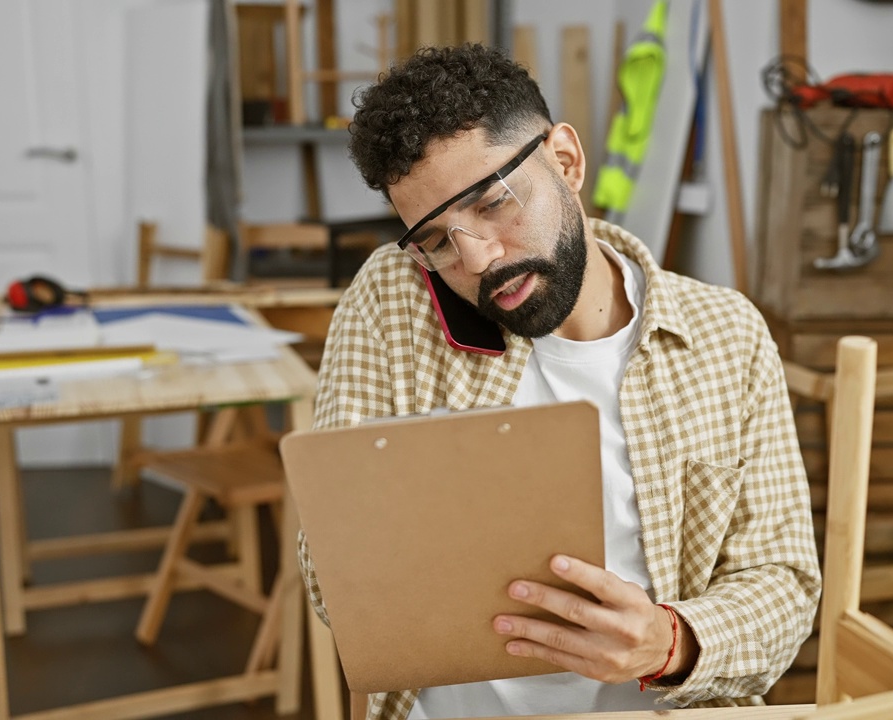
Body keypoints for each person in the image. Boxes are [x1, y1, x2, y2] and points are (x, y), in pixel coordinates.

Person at [298, 43, 820, 719]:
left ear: (567, 162)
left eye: (494, 202)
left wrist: (669, 643)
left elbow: (783, 587)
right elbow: (330, 579)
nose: (478, 258)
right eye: (436, 239)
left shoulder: (726, 336)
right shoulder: (392, 303)